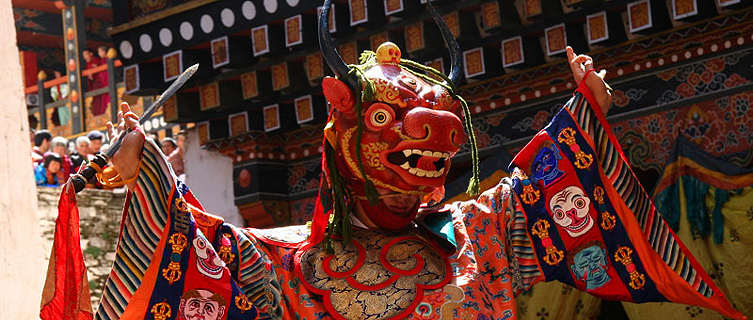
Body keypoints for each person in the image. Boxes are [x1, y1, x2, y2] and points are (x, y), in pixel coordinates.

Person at [89, 6, 743, 320]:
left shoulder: (479, 234)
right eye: (383, 118)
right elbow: (187, 240)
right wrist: (142, 165)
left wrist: (584, 115)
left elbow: (544, 181)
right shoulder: (277, 263)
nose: (427, 139)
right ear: (341, 128)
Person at [83, 48, 108, 115]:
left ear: (91, 54)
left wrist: (92, 74)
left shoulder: (96, 60)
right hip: (94, 84)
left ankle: (102, 112)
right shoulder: (88, 64)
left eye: (86, 54)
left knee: (101, 99)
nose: (85, 57)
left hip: (100, 83)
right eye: (84, 55)